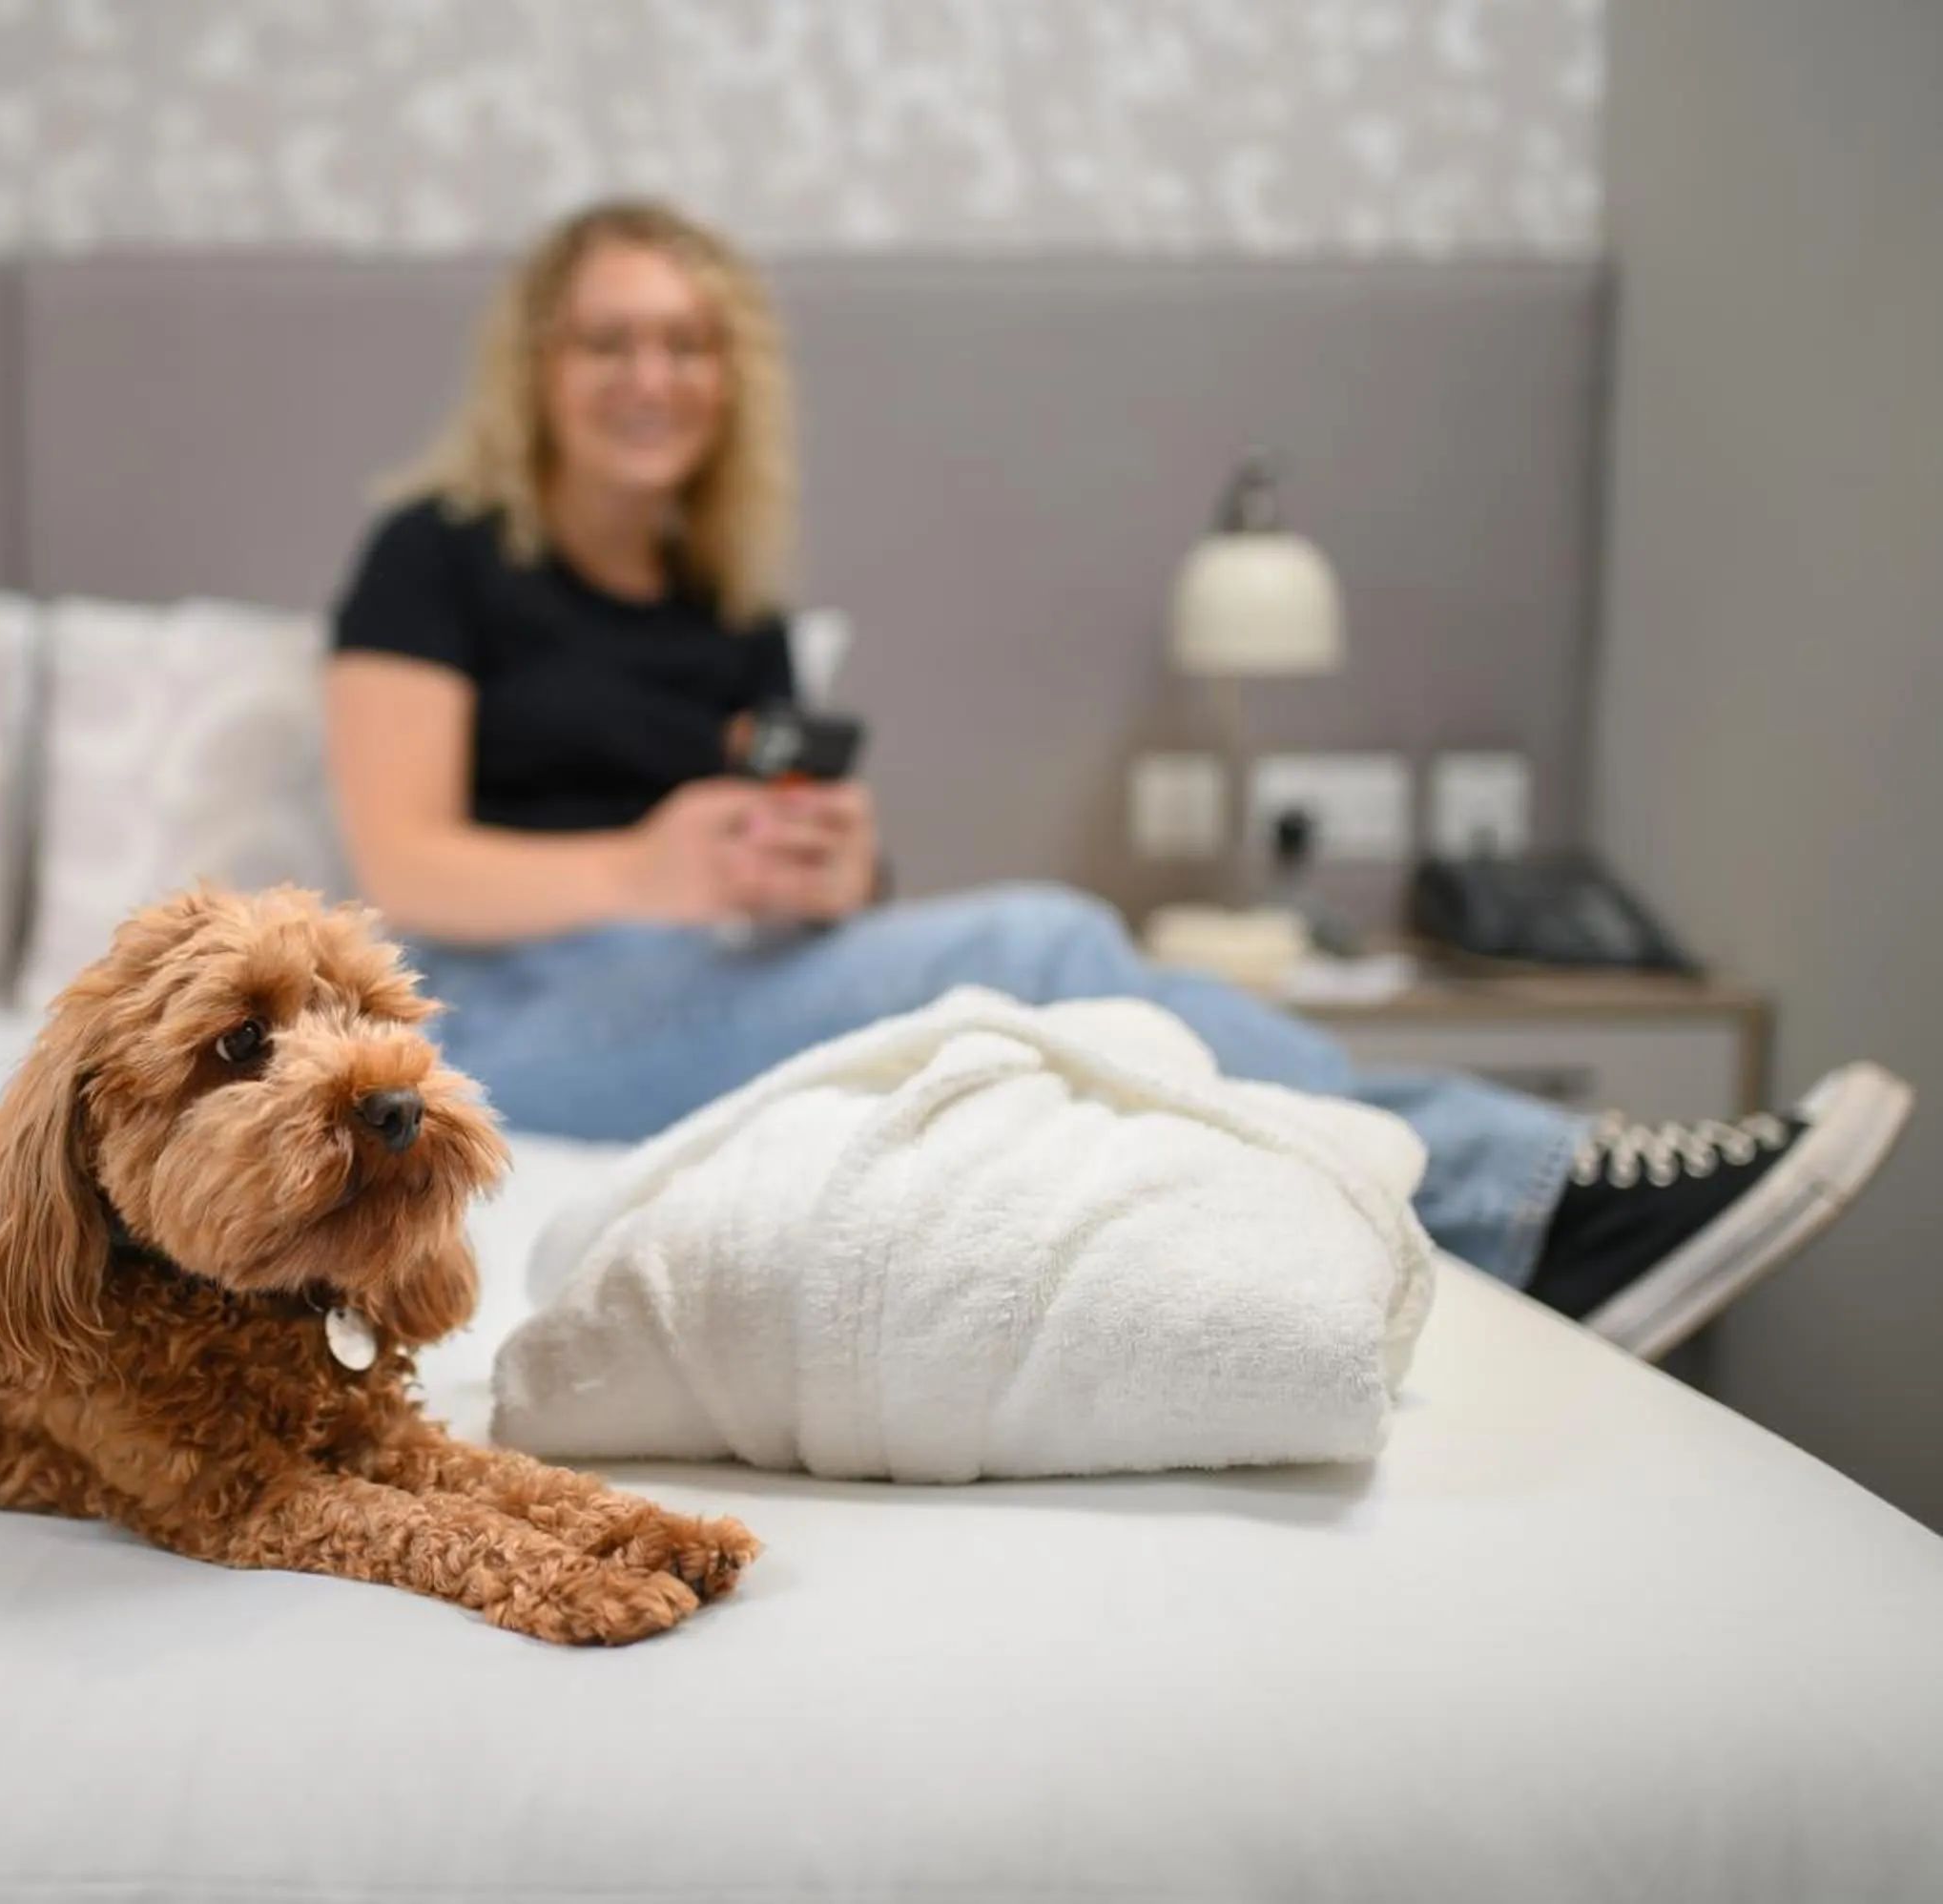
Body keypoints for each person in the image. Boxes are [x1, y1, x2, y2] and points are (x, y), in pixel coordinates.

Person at [322, 197, 1911, 1349]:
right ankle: (1536, 1199)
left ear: (728, 378)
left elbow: (760, 869)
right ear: (538, 364)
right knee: (1045, 949)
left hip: (703, 981)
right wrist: (642, 868)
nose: (648, 374)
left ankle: (1512, 1194)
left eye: (683, 342)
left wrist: (833, 874)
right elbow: (395, 862)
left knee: (1040, 1017)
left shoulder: (724, 604)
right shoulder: (436, 556)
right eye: (608, 339)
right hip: (501, 1022)